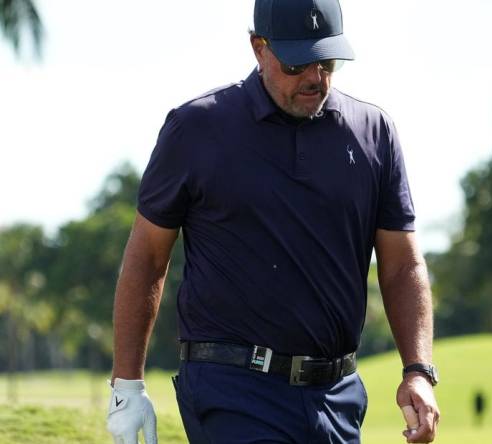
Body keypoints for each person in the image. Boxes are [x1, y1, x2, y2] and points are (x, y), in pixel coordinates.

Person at [105, 0, 440, 443]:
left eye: (327, 61)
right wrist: (127, 386)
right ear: (258, 48)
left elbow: (403, 266)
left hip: (336, 397)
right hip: (233, 388)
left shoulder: (373, 132)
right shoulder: (197, 128)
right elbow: (147, 257)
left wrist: (418, 371)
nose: (315, 78)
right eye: (297, 62)